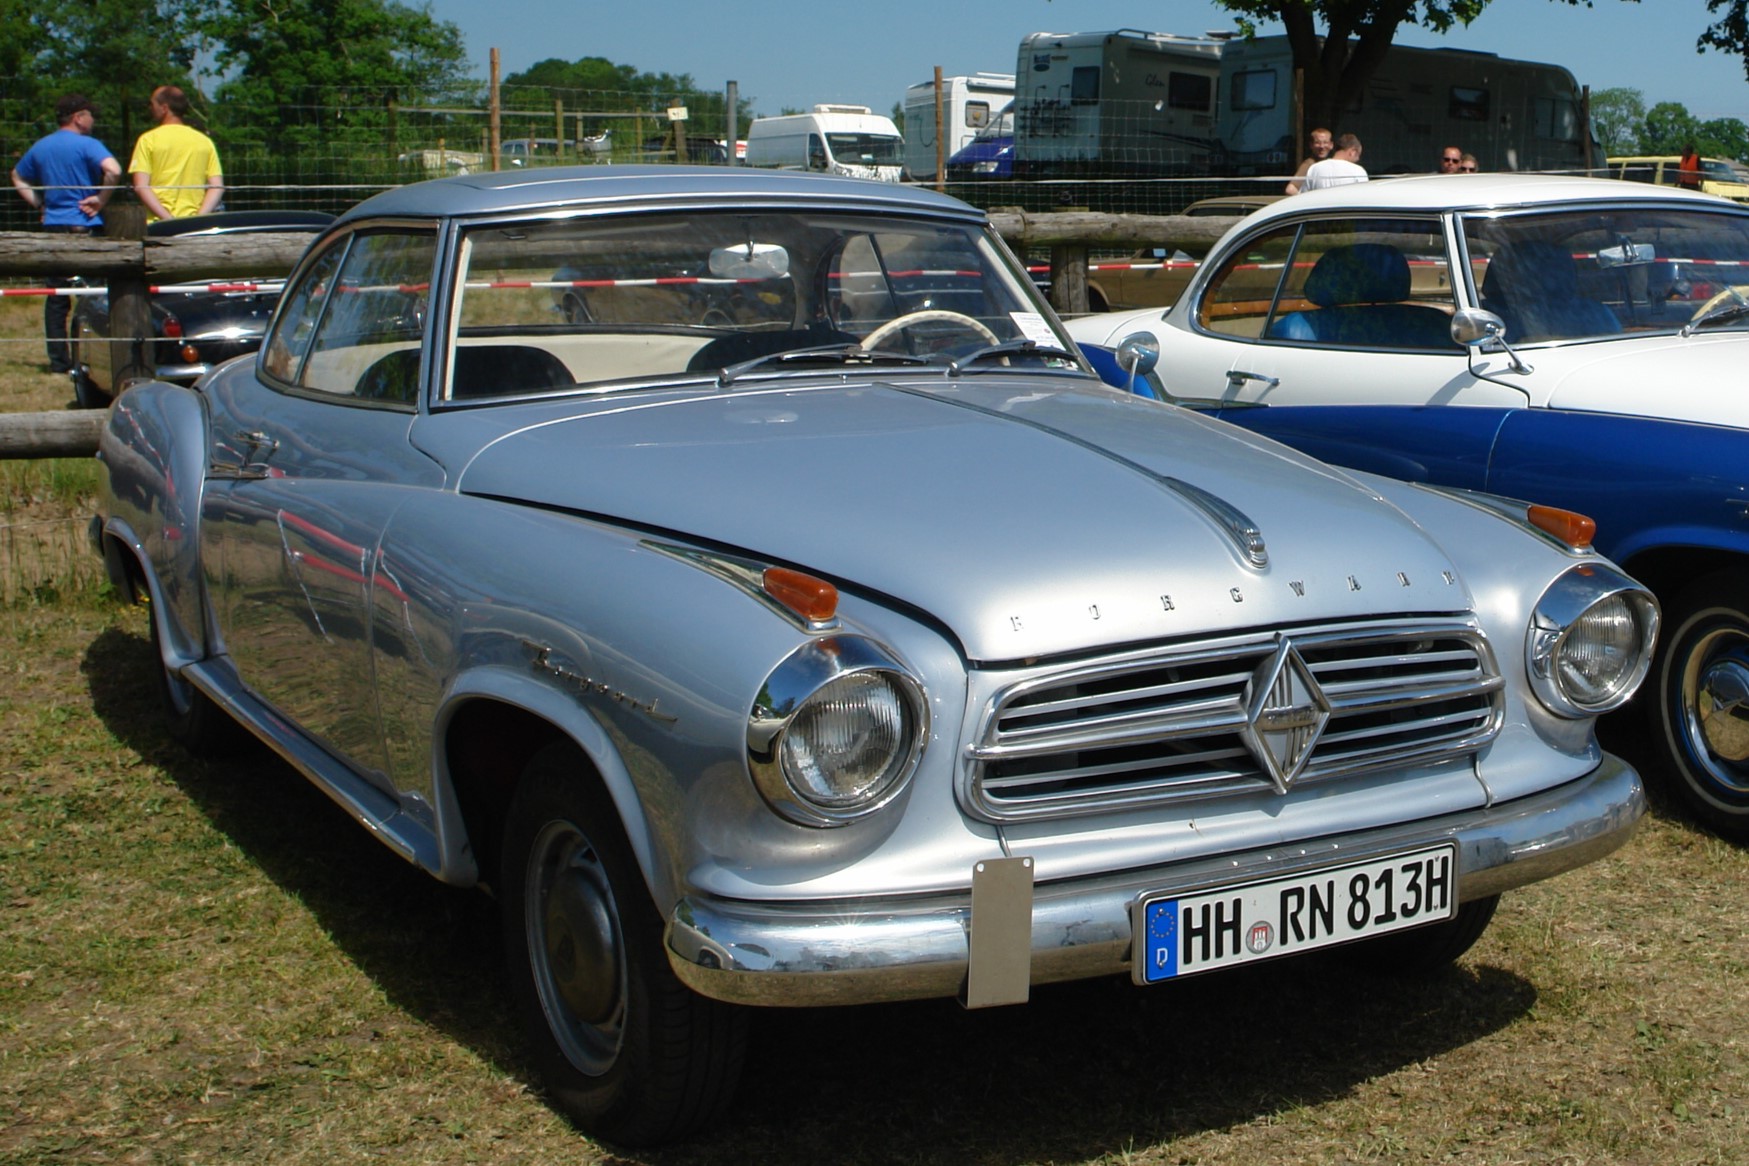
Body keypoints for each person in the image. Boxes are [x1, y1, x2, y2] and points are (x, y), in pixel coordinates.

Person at [10, 94, 121, 374]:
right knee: (95, 294)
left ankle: (59, 361)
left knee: (56, 296)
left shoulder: (40, 146)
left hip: (53, 228)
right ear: (78, 117)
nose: (93, 120)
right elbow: (113, 170)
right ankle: (102, 355)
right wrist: (101, 200)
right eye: (90, 115)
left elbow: (17, 176)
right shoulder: (88, 145)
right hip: (84, 224)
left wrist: (39, 202)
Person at [129, 85, 223, 221]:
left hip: (158, 225)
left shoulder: (148, 140)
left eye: (152, 104)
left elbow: (141, 186)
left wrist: (168, 219)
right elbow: (217, 187)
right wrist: (198, 219)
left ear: (164, 108)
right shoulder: (204, 142)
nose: (150, 108)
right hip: (193, 226)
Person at [1299, 133, 1367, 192]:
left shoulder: (1314, 168)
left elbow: (1304, 196)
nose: (1358, 159)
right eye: (1358, 155)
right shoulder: (1358, 171)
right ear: (1353, 152)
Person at [1284, 127, 1334, 194]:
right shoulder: (1309, 164)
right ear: (1311, 145)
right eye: (1317, 143)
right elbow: (1291, 189)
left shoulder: (1334, 162)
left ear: (1331, 145)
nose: (1322, 146)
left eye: (1325, 142)